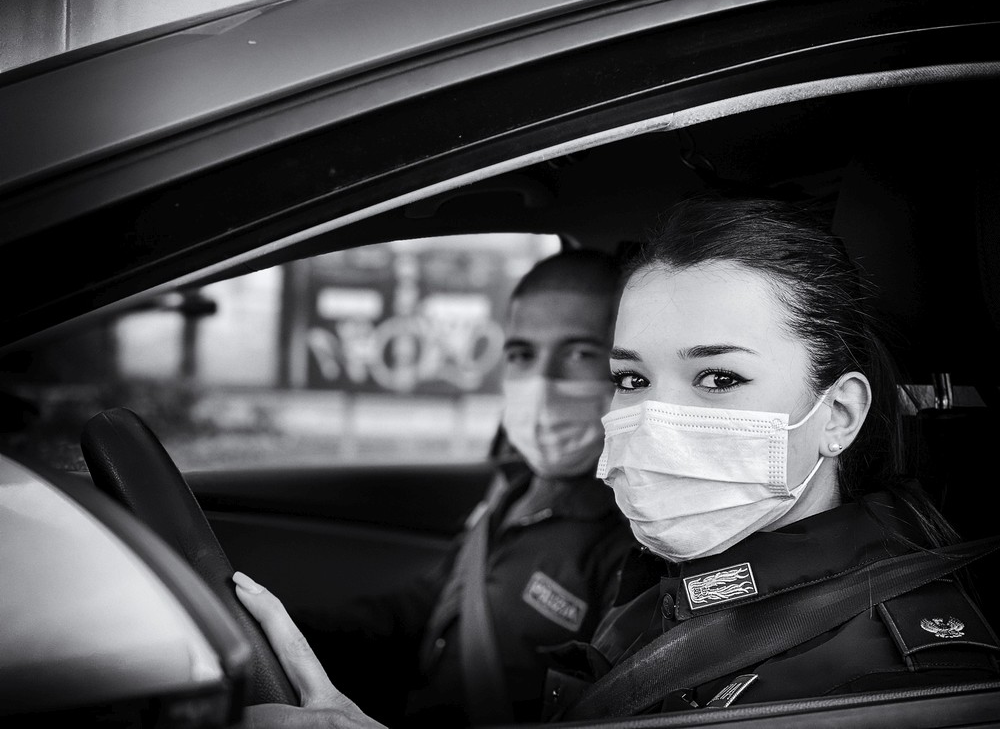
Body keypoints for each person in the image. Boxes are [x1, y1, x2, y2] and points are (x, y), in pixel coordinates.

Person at [233, 194, 999, 727]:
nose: (653, 420)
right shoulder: (665, 597)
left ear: (837, 415)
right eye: (631, 379)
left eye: (719, 379)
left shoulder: (904, 683)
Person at [245, 248, 635, 728]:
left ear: (626, 370)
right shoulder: (514, 490)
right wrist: (264, 627)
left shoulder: (632, 538)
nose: (541, 381)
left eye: (580, 353)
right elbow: (423, 610)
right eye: (521, 354)